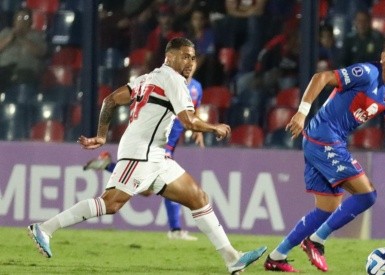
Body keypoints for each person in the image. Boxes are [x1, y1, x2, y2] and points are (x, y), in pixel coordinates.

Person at [28, 37, 266, 274]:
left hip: (156, 154)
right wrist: (215, 127)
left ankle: (232, 258)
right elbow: (188, 121)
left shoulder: (146, 78)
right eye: (184, 56)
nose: (190, 63)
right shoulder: (174, 80)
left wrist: (102, 136)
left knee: (198, 197)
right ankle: (45, 228)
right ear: (169, 57)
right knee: (110, 204)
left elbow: (110, 100)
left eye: (193, 58)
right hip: (140, 152)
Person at [263, 35, 385, 272]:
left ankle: (277, 256)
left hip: (325, 141)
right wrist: (302, 112)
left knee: (327, 207)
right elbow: (321, 77)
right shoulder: (366, 72)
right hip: (324, 137)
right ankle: (316, 240)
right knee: (367, 195)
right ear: (384, 57)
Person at [83, 57, 205, 241]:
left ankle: (108, 165)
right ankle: (176, 230)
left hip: (170, 143)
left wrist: (199, 131)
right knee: (164, 185)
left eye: (193, 61)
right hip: (157, 144)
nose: (190, 65)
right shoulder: (169, 82)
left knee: (149, 189)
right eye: (187, 60)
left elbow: (193, 112)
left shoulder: (197, 88)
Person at [0, 7, 47, 89]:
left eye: (25, 18)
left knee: (22, 76)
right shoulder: (6, 32)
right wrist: (10, 38)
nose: (22, 20)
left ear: (30, 21)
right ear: (14, 20)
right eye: (19, 17)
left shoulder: (37, 35)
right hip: (4, 67)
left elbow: (40, 53)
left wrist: (21, 39)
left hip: (26, 69)